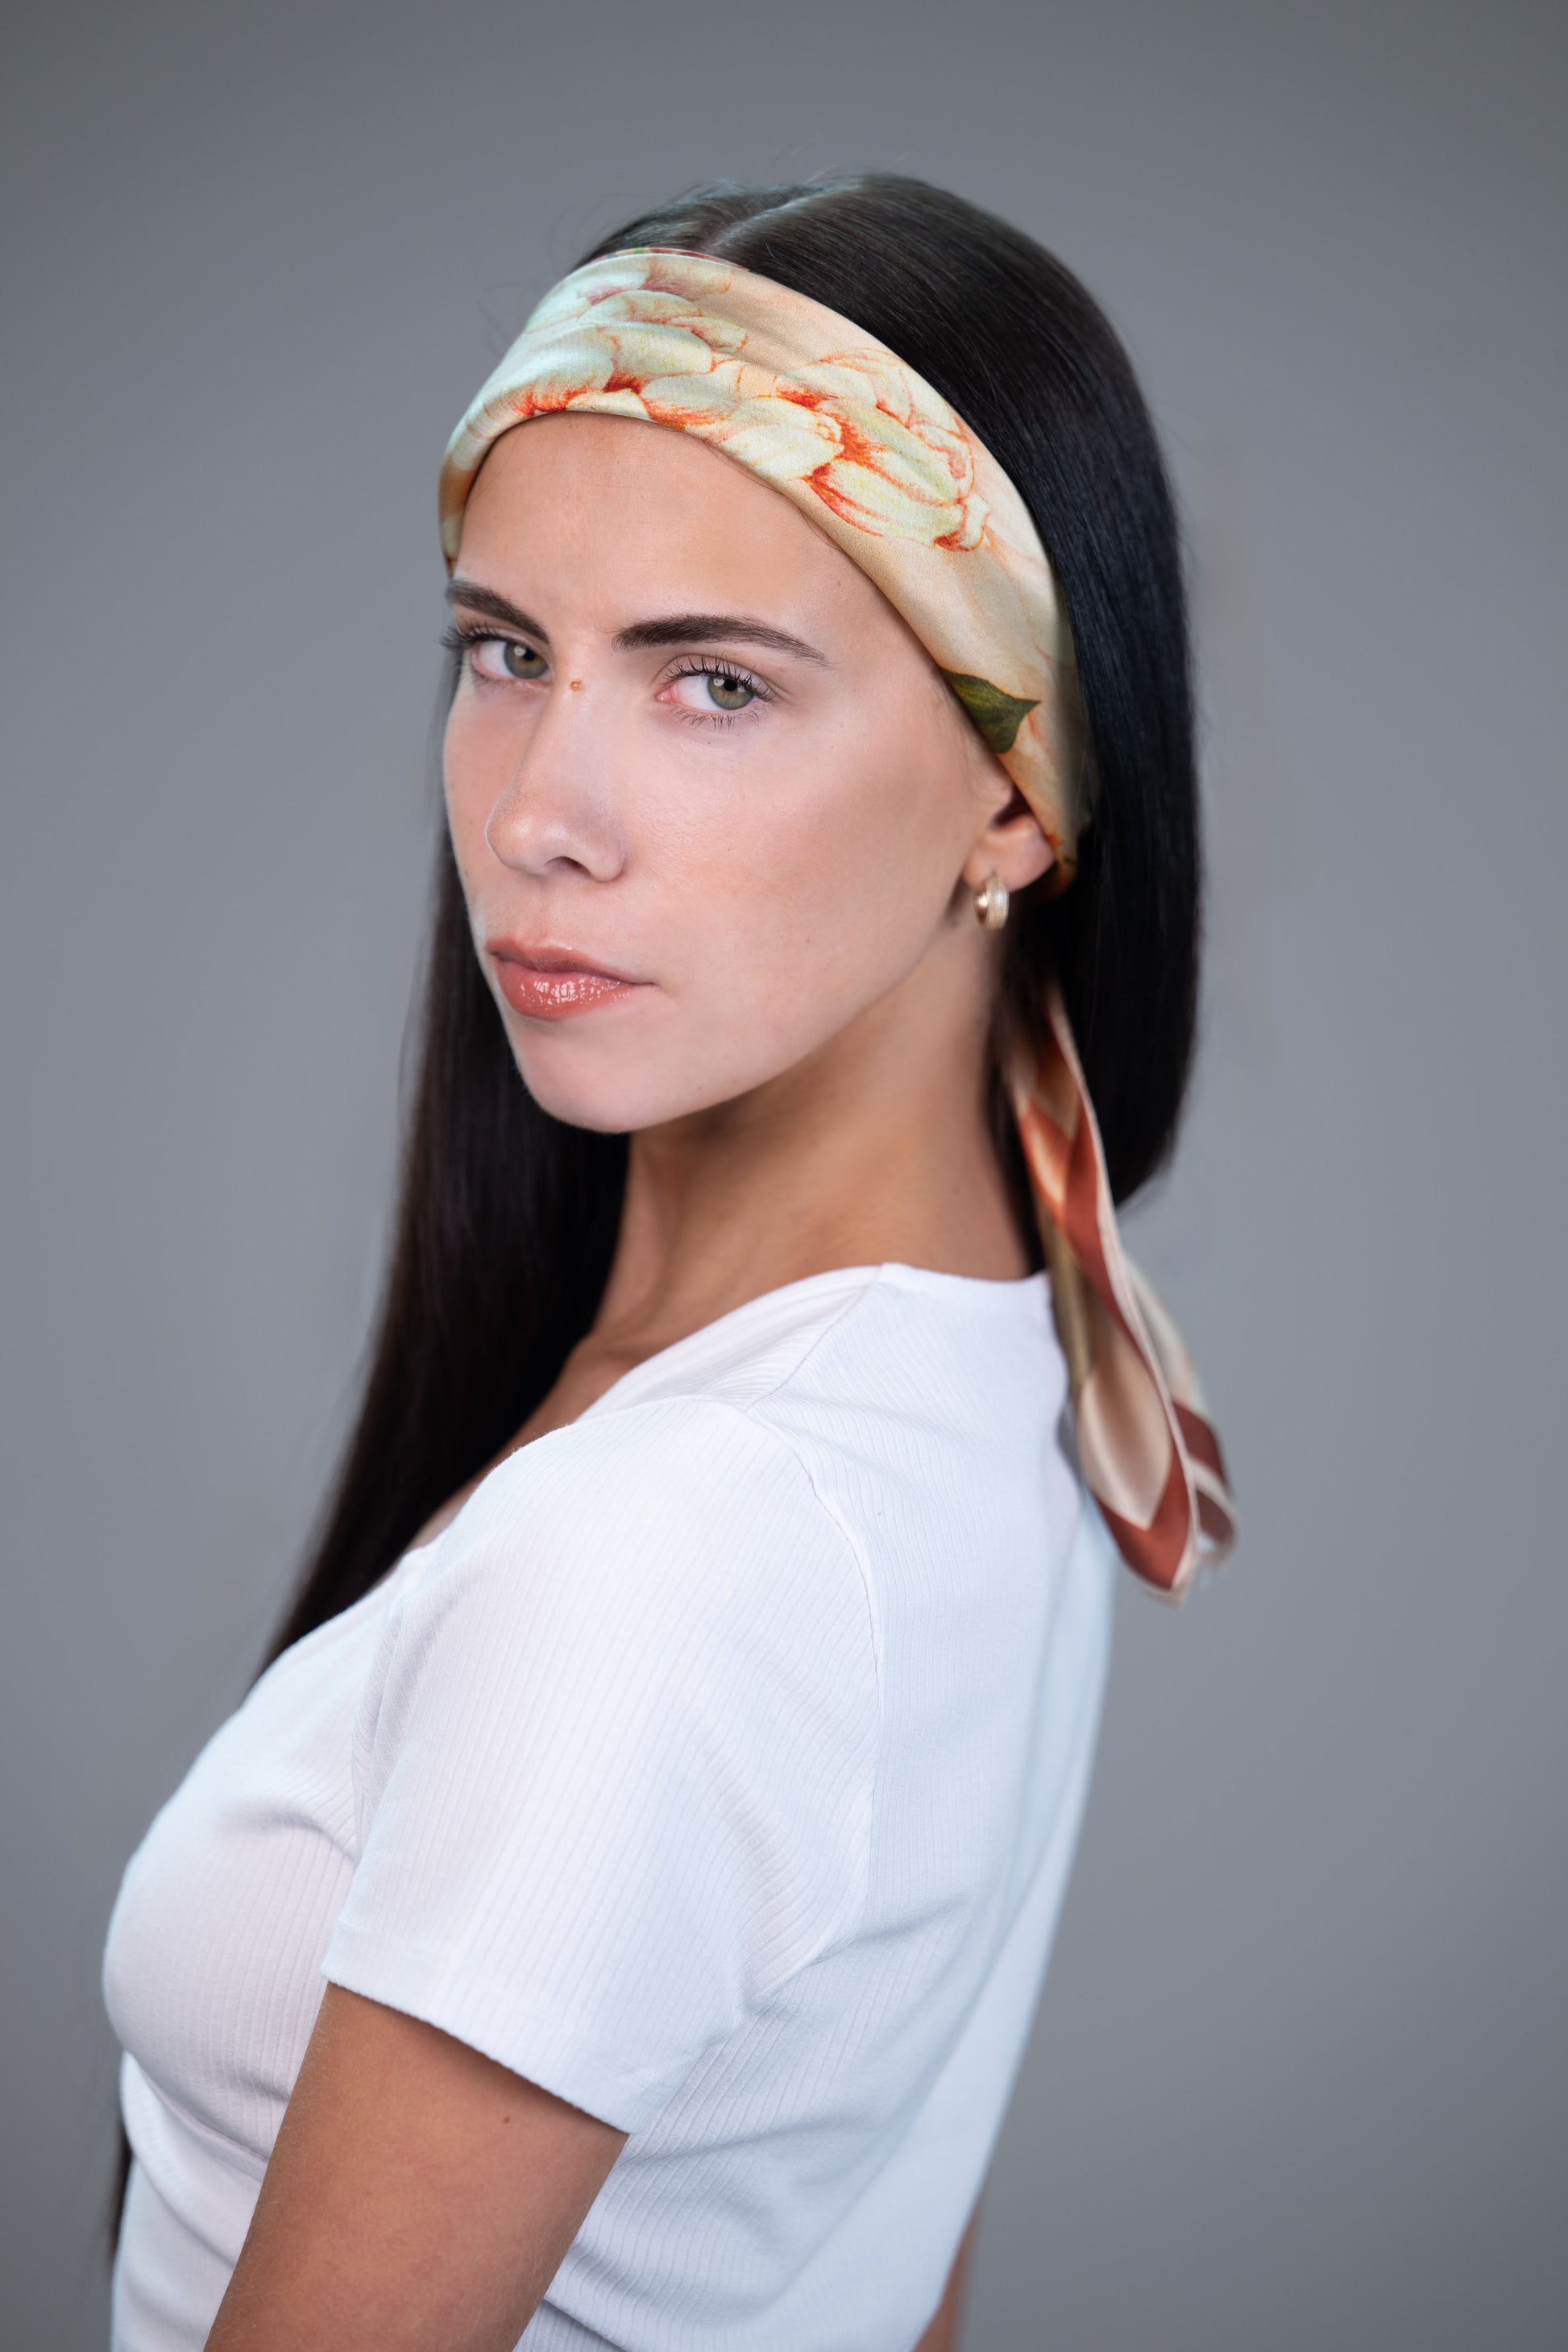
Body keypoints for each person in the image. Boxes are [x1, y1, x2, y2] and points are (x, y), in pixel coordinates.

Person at [102, 173, 1234, 2352]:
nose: (541, 810)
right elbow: (867, 2252)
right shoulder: (1012, 1374)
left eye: (716, 682)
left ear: (1016, 795)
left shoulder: (680, 1547)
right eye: (503, 652)